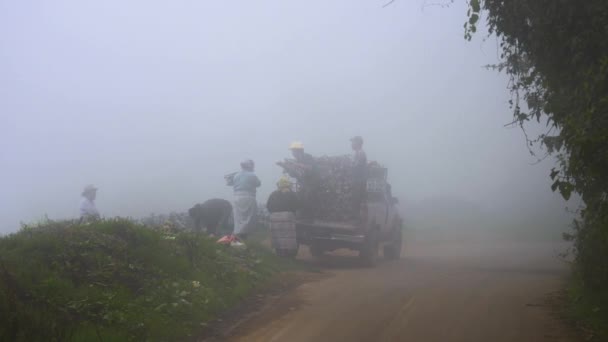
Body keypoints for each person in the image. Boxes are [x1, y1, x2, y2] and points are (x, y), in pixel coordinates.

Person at [267, 176, 299, 257]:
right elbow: (297, 205)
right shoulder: (292, 194)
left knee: (277, 236)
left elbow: (268, 206)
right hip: (287, 216)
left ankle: (279, 253)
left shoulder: (273, 194)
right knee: (287, 236)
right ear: (288, 185)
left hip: (274, 217)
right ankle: (288, 255)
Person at [229, 159, 261, 241]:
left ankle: (237, 238)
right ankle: (242, 239)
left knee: (238, 219)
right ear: (249, 166)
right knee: (248, 218)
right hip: (248, 197)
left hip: (237, 198)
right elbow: (258, 183)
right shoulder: (252, 175)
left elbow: (230, 183)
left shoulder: (236, 175)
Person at [287, 141, 318, 219]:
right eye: (292, 151)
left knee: (308, 199)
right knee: (300, 200)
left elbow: (311, 168)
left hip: (311, 182)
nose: (292, 153)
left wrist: (297, 165)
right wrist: (288, 168)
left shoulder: (308, 157)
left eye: (293, 151)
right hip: (303, 183)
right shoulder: (297, 160)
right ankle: (302, 217)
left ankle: (309, 219)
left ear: (299, 151)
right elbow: (295, 174)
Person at [351, 136, 368, 218]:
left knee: (356, 200)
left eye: (353, 142)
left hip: (359, 181)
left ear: (358, 143)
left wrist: (348, 165)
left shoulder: (361, 153)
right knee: (356, 200)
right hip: (358, 180)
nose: (352, 144)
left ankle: (355, 218)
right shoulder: (357, 153)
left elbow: (355, 166)